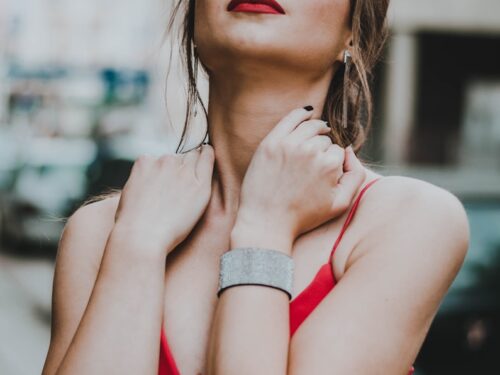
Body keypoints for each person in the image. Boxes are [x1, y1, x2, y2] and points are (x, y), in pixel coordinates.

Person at [42, 0, 470, 374]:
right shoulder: (101, 233)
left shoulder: (409, 222)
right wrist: (137, 246)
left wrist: (265, 228)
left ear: (353, 34)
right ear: (191, 23)